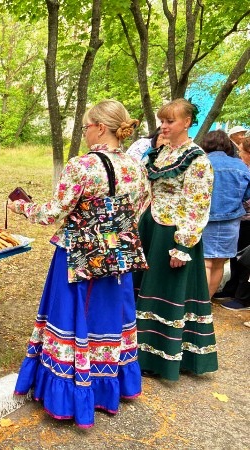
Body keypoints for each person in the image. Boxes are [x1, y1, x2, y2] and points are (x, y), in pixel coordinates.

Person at [8, 100, 150, 428]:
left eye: (86, 126)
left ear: (100, 127)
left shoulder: (81, 166)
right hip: (117, 253)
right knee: (109, 319)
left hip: (78, 256)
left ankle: (72, 394)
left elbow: (53, 212)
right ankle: (109, 386)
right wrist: (112, 230)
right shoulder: (137, 166)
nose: (85, 131)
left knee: (73, 319)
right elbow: (141, 207)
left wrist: (22, 208)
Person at [134, 98, 218, 380]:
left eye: (170, 121)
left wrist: (183, 245)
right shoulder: (162, 154)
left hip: (172, 233)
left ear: (187, 122)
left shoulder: (196, 159)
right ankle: (139, 351)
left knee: (166, 290)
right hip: (150, 228)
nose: (164, 126)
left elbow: (197, 204)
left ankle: (162, 360)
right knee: (144, 288)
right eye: (162, 121)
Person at [200, 130, 250, 299]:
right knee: (219, 262)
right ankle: (207, 301)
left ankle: (200, 303)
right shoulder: (239, 165)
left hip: (206, 219)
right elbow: (247, 194)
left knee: (205, 262)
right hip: (232, 221)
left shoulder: (202, 163)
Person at [219, 136, 250, 312]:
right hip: (241, 219)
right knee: (236, 257)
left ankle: (244, 297)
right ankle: (232, 289)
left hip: (248, 219)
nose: (239, 153)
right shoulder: (244, 168)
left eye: (242, 150)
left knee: (247, 261)